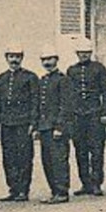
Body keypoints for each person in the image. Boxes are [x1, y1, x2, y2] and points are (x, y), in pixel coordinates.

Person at [67, 37, 106, 197]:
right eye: (81, 52)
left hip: (94, 114)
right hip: (78, 115)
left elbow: (105, 92)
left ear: (91, 52)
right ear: (77, 53)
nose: (84, 55)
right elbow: (69, 95)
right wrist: (70, 116)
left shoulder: (99, 69)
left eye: (86, 52)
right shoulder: (71, 70)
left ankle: (96, 183)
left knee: (97, 149)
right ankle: (85, 183)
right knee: (80, 150)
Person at [0, 44, 40, 202]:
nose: (14, 59)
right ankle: (13, 189)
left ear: (22, 58)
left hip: (23, 122)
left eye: (17, 56)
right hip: (7, 122)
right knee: (9, 157)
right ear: (6, 58)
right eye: (11, 56)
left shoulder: (30, 77)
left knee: (24, 156)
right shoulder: (2, 78)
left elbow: (35, 101)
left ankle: (23, 190)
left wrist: (33, 123)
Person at [35, 44, 73, 203]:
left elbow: (66, 105)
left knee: (59, 160)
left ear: (56, 60)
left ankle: (62, 192)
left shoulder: (63, 80)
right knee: (47, 161)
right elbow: (39, 105)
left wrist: (60, 126)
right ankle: (54, 191)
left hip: (56, 128)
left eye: (50, 59)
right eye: (44, 60)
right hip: (45, 127)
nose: (47, 62)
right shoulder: (43, 80)